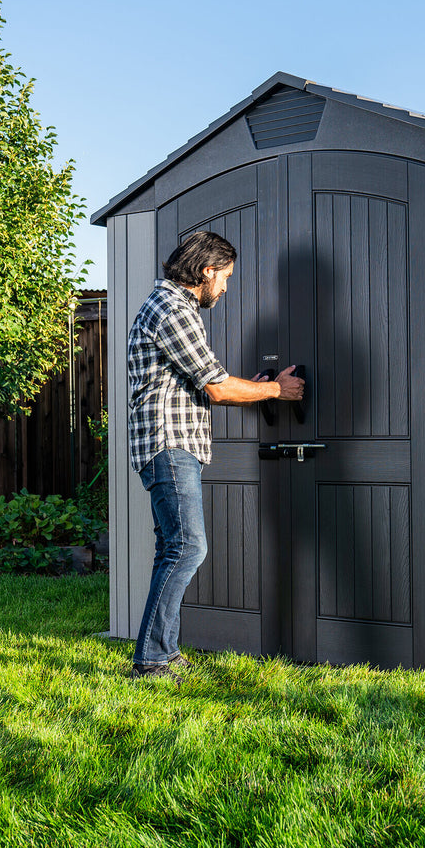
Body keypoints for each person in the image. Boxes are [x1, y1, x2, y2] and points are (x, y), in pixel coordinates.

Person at [126, 230, 303, 681]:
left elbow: (206, 378)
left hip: (171, 444)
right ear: (206, 271)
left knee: (174, 547)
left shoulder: (172, 306)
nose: (224, 287)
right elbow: (217, 386)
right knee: (188, 546)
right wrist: (275, 390)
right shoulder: (172, 309)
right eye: (225, 277)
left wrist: (257, 384)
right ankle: (151, 659)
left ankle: (163, 651)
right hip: (169, 444)